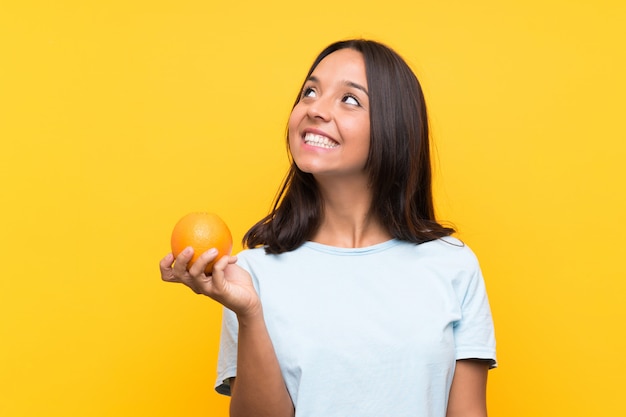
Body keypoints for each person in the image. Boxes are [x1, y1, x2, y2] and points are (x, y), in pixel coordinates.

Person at [160, 39, 497, 417]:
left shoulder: (453, 267)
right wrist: (250, 313)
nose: (314, 109)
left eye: (349, 99)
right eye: (310, 92)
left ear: (394, 127)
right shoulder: (250, 276)